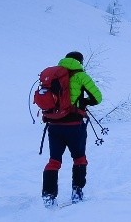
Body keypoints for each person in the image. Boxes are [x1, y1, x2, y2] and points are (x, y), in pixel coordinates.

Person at [42, 51, 102, 206]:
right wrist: (83, 103)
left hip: (54, 126)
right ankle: (77, 192)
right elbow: (98, 98)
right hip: (74, 126)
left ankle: (48, 196)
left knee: (54, 161)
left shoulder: (53, 74)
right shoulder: (81, 76)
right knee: (79, 159)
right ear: (79, 61)